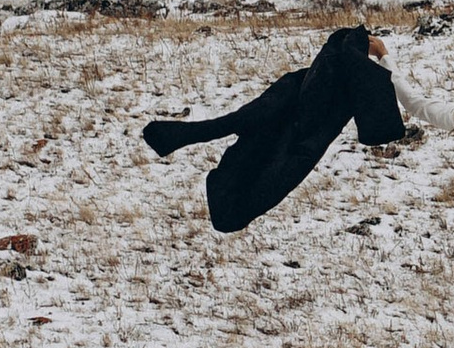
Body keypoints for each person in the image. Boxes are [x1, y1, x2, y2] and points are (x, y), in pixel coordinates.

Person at [143, 22, 410, 233]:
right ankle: (179, 139)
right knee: (260, 160)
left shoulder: (327, 67)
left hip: (295, 111)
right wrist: (383, 57)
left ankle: (177, 137)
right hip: (302, 129)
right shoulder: (342, 78)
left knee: (238, 129)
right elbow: (392, 118)